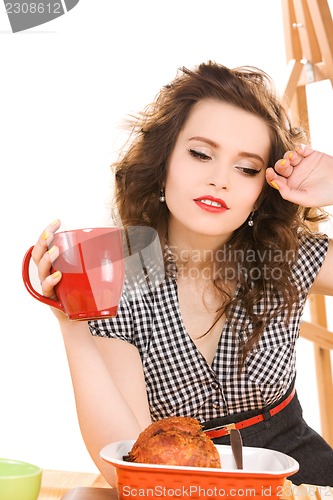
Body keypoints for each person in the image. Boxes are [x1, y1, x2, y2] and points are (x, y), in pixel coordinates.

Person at [31, 61, 333, 486]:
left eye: (245, 168)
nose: (219, 180)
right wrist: (72, 326)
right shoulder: (119, 276)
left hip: (303, 474)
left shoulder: (285, 255)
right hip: (182, 480)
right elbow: (128, 468)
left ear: (263, 189)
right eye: (201, 154)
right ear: (164, 161)